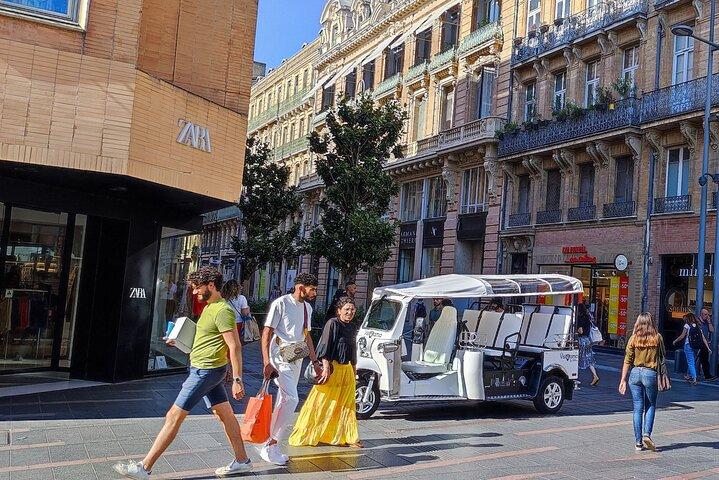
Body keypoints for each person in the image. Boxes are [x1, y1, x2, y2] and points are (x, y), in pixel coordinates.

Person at [113, 266, 251, 479]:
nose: (195, 292)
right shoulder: (209, 307)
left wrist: (238, 379)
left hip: (205, 372)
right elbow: (205, 339)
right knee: (224, 414)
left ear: (211, 285)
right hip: (205, 369)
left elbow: (234, 346)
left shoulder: (222, 310)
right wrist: (178, 340)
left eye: (197, 288)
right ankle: (242, 460)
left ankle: (144, 467)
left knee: (173, 416)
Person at [260, 273, 322, 465]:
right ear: (300, 287)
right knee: (292, 398)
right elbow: (267, 332)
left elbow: (307, 336)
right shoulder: (281, 303)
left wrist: (315, 361)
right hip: (279, 355)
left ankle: (269, 443)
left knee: (284, 398)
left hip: (296, 356)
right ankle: (271, 443)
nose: (315, 293)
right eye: (312, 289)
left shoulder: (307, 308)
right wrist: (266, 362)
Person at [289, 296, 362, 447]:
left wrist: (354, 370)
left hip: (347, 369)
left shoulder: (353, 326)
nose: (350, 312)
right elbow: (324, 347)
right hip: (332, 369)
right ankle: (307, 434)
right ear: (339, 310)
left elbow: (353, 350)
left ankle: (347, 437)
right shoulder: (332, 323)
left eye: (352, 310)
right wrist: (326, 367)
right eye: (347, 309)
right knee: (322, 402)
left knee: (346, 404)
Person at [619, 312, 663, 452]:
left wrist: (623, 380)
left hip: (635, 373)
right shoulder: (657, 337)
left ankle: (638, 442)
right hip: (650, 374)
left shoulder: (633, 338)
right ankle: (646, 434)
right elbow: (662, 356)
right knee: (650, 405)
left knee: (637, 408)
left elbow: (627, 360)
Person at [221, 279, 251, 382]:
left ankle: (224, 368)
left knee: (224, 346)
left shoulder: (223, 298)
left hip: (224, 324)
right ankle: (228, 369)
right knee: (233, 347)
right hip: (236, 324)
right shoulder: (241, 298)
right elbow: (245, 313)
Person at [672, 312, 711, 385]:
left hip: (688, 345)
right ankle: (688, 375)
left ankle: (694, 378)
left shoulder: (687, 325)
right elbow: (703, 338)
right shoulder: (698, 326)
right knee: (692, 361)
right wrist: (708, 348)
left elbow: (682, 336)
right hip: (697, 347)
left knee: (690, 362)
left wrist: (675, 341)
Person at [577, 302, 600, 386]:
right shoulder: (588, 317)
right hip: (588, 340)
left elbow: (580, 331)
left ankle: (574, 378)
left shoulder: (580, 318)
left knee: (577, 358)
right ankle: (595, 376)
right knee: (589, 359)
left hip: (581, 340)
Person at [698, 307, 715, 381]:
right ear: (701, 314)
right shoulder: (697, 321)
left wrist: (709, 321)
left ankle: (707, 375)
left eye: (708, 315)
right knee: (694, 359)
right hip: (697, 343)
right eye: (705, 314)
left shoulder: (706, 322)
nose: (707, 316)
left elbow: (712, 330)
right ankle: (689, 374)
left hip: (704, 344)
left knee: (705, 360)